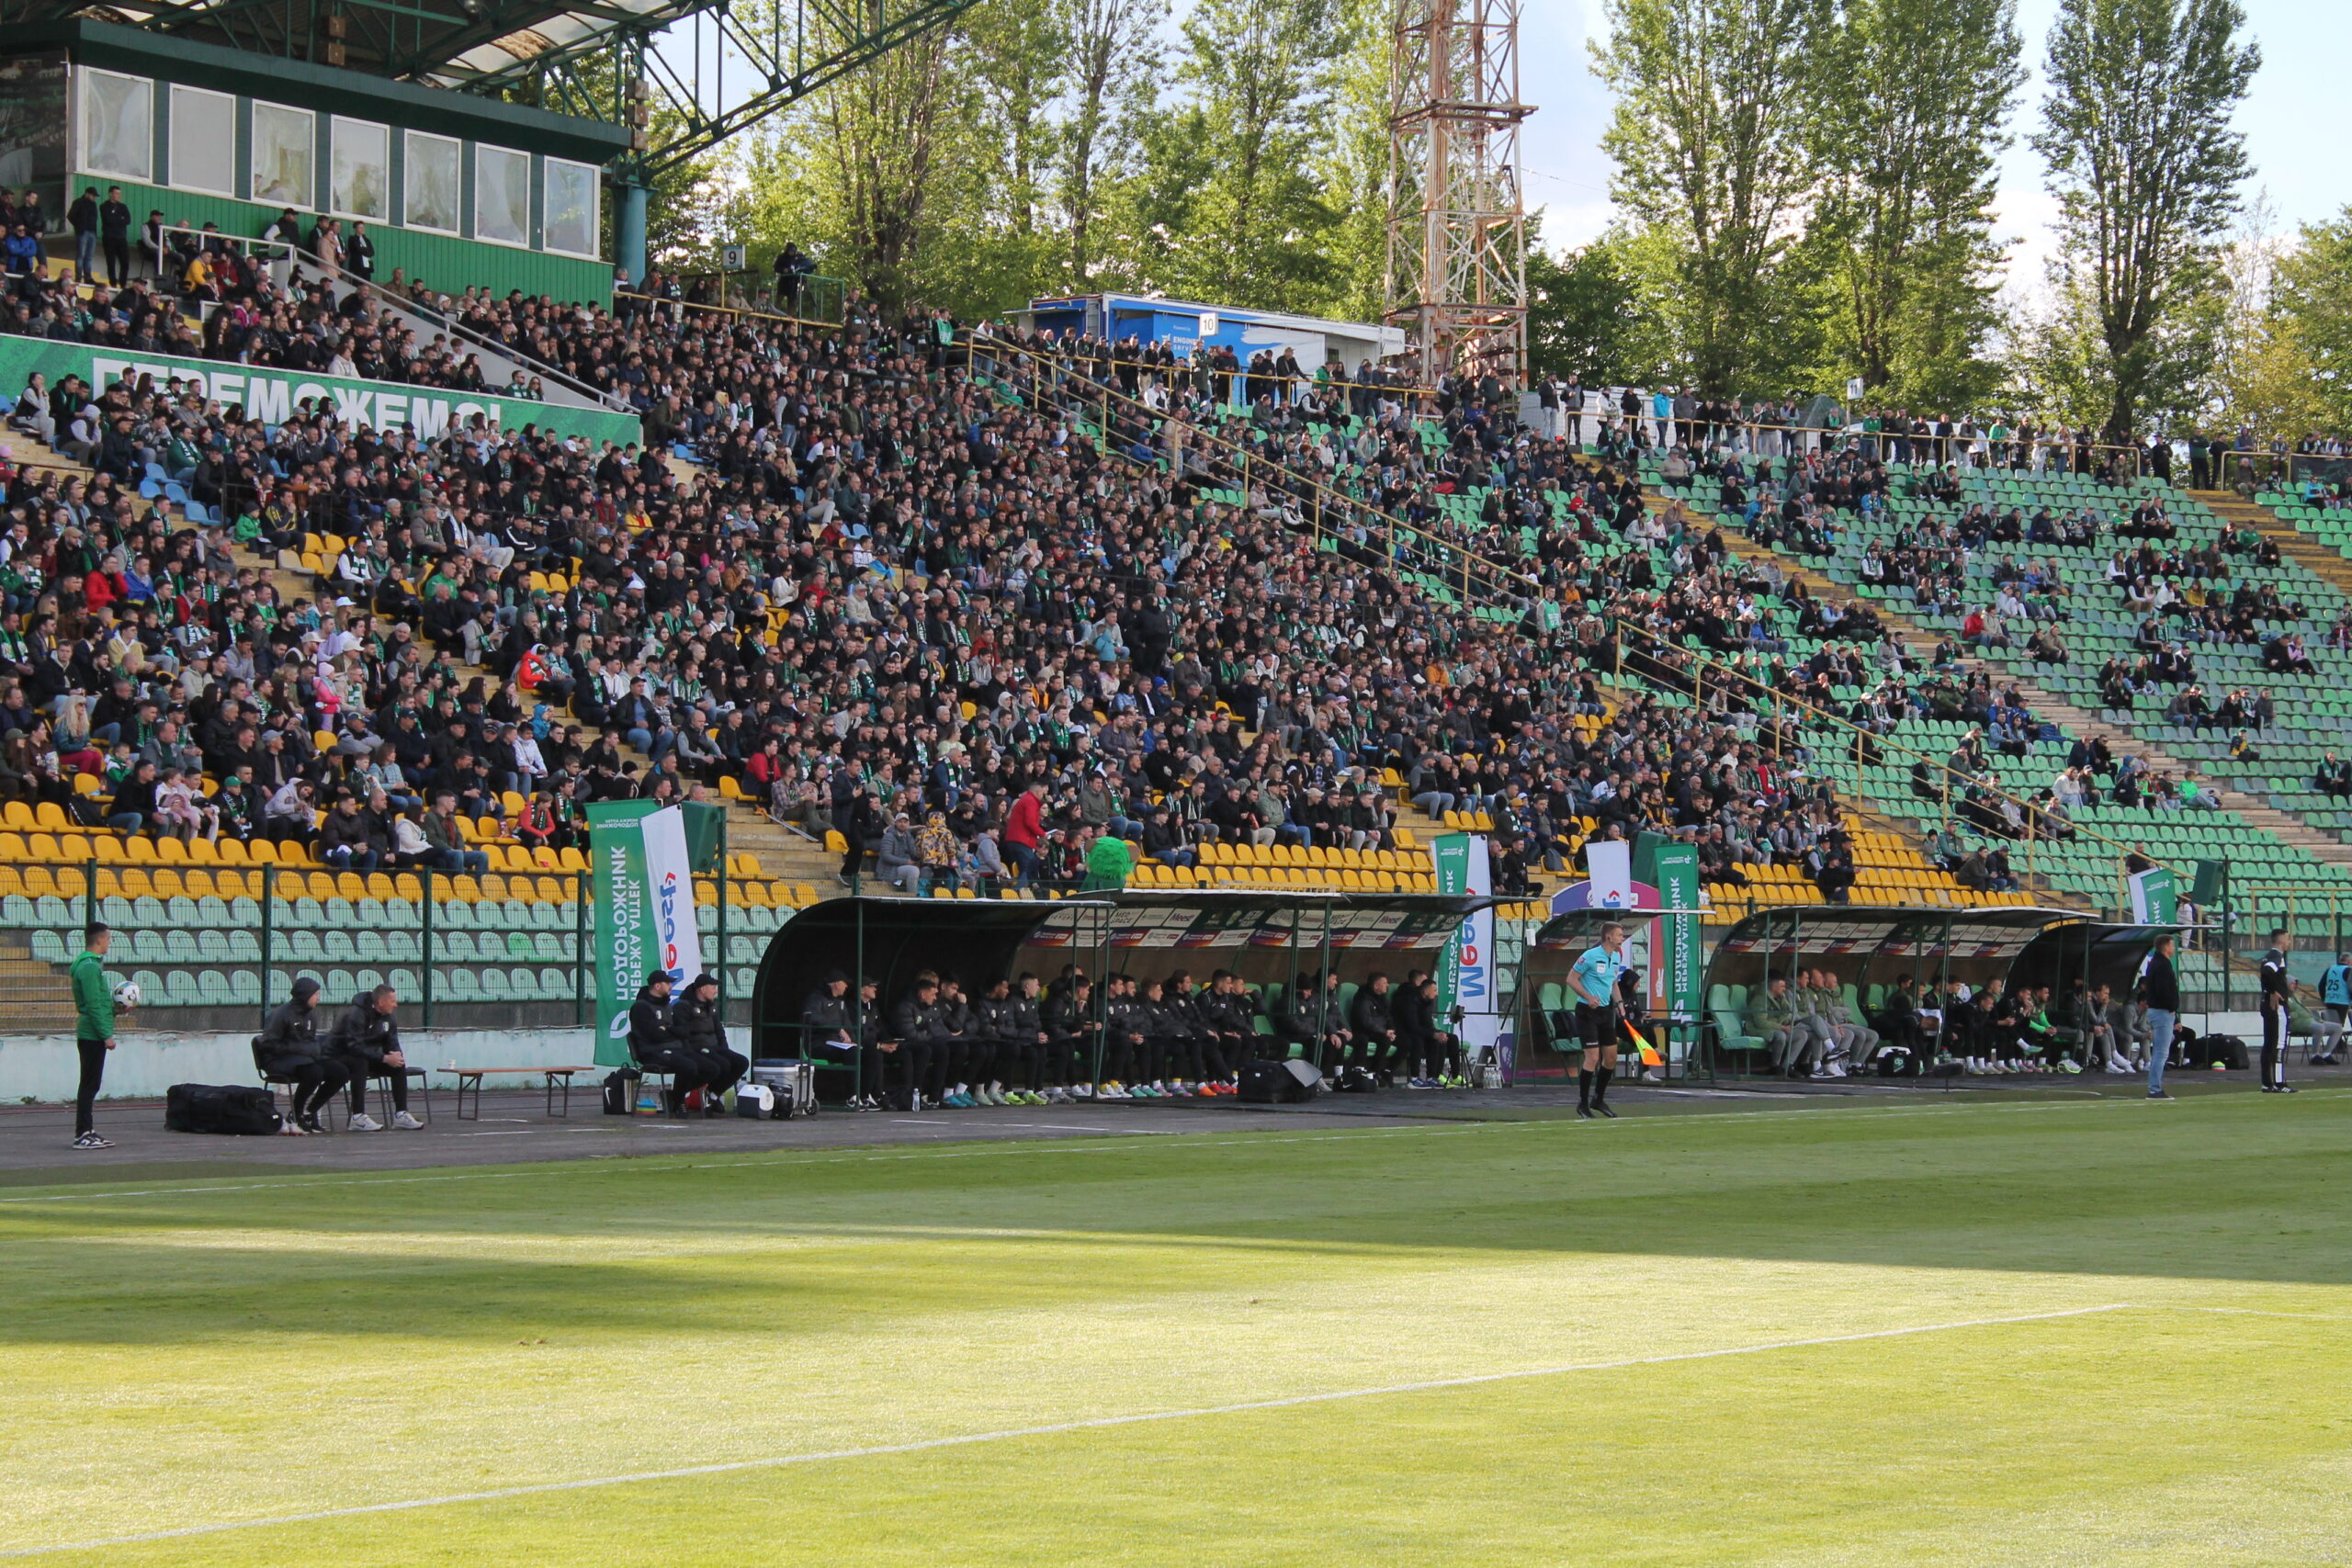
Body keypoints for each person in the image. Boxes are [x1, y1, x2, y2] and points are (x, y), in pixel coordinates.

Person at [254, 975, 345, 1134]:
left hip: (303, 1059)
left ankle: (310, 1112)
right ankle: (297, 1115)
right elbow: (268, 1044)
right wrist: (299, 1049)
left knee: (339, 1071)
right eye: (316, 994)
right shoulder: (281, 1015)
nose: (318, 998)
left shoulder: (310, 1015)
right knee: (314, 1072)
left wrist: (311, 1050)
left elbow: (310, 1041)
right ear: (305, 995)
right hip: (278, 1060)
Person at [327, 983, 421, 1130]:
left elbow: (392, 1042)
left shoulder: (389, 1017)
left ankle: (401, 1115)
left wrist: (396, 1055)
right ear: (381, 1002)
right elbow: (354, 1046)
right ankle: (357, 1117)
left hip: (368, 1056)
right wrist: (384, 1058)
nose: (396, 1005)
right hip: (341, 1056)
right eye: (392, 1001)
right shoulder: (356, 1014)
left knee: (398, 1065)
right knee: (360, 1062)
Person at [68, 922, 126, 1149]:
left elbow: (99, 1003)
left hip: (92, 1033)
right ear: (100, 940)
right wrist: (106, 1035)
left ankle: (88, 1130)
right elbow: (92, 1004)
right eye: (108, 939)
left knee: (91, 1084)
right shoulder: (90, 967)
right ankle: (82, 1133)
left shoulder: (89, 965)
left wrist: (116, 1010)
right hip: (91, 1034)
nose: (109, 943)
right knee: (89, 1085)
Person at [1565, 921, 1629, 1118]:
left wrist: (1619, 1003)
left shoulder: (1616, 956)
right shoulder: (1590, 956)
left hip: (1605, 1012)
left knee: (1611, 1058)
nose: (1622, 938)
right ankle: (1583, 1104)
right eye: (1619, 935)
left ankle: (1598, 1099)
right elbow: (1571, 979)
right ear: (1609, 936)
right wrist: (1588, 996)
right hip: (1587, 1012)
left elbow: (1613, 983)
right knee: (1592, 1057)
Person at [670, 972, 747, 1113]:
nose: (716, 991)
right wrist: (688, 1052)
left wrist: (725, 1049)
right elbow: (682, 1033)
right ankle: (677, 1095)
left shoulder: (711, 1006)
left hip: (714, 1047)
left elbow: (719, 1031)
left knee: (742, 1062)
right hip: (697, 1048)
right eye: (713, 987)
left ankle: (713, 1095)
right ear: (703, 989)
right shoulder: (684, 1006)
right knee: (721, 1065)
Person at [2256, 928, 2298, 1095]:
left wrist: (2269, 990)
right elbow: (2267, 971)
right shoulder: (2276, 957)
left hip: (2267, 1004)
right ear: (2281, 941)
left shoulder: (2268, 956)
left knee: (2268, 1044)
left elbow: (2265, 972)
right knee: (2279, 1045)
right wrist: (2274, 990)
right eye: (2288, 938)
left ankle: (2267, 1083)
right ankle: (2280, 1083)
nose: (2289, 942)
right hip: (2277, 1007)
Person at [2141, 933, 2180, 1100]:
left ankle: (2154, 1087)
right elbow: (2164, 990)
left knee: (2162, 1047)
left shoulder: (2155, 963)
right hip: (2162, 1011)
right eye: (2172, 945)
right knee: (2161, 1052)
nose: (2174, 948)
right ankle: (2154, 1089)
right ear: (2165, 946)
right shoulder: (2163, 965)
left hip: (2158, 1011)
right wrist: (2172, 1007)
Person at [2316, 952, 2350, 1066]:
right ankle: (2333, 1048)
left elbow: (2321, 985)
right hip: (2342, 1001)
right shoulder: (2348, 970)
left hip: (2330, 1000)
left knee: (2332, 1025)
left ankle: (2336, 1046)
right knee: (2338, 1025)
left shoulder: (2330, 969)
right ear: (2348, 961)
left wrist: (2324, 998)